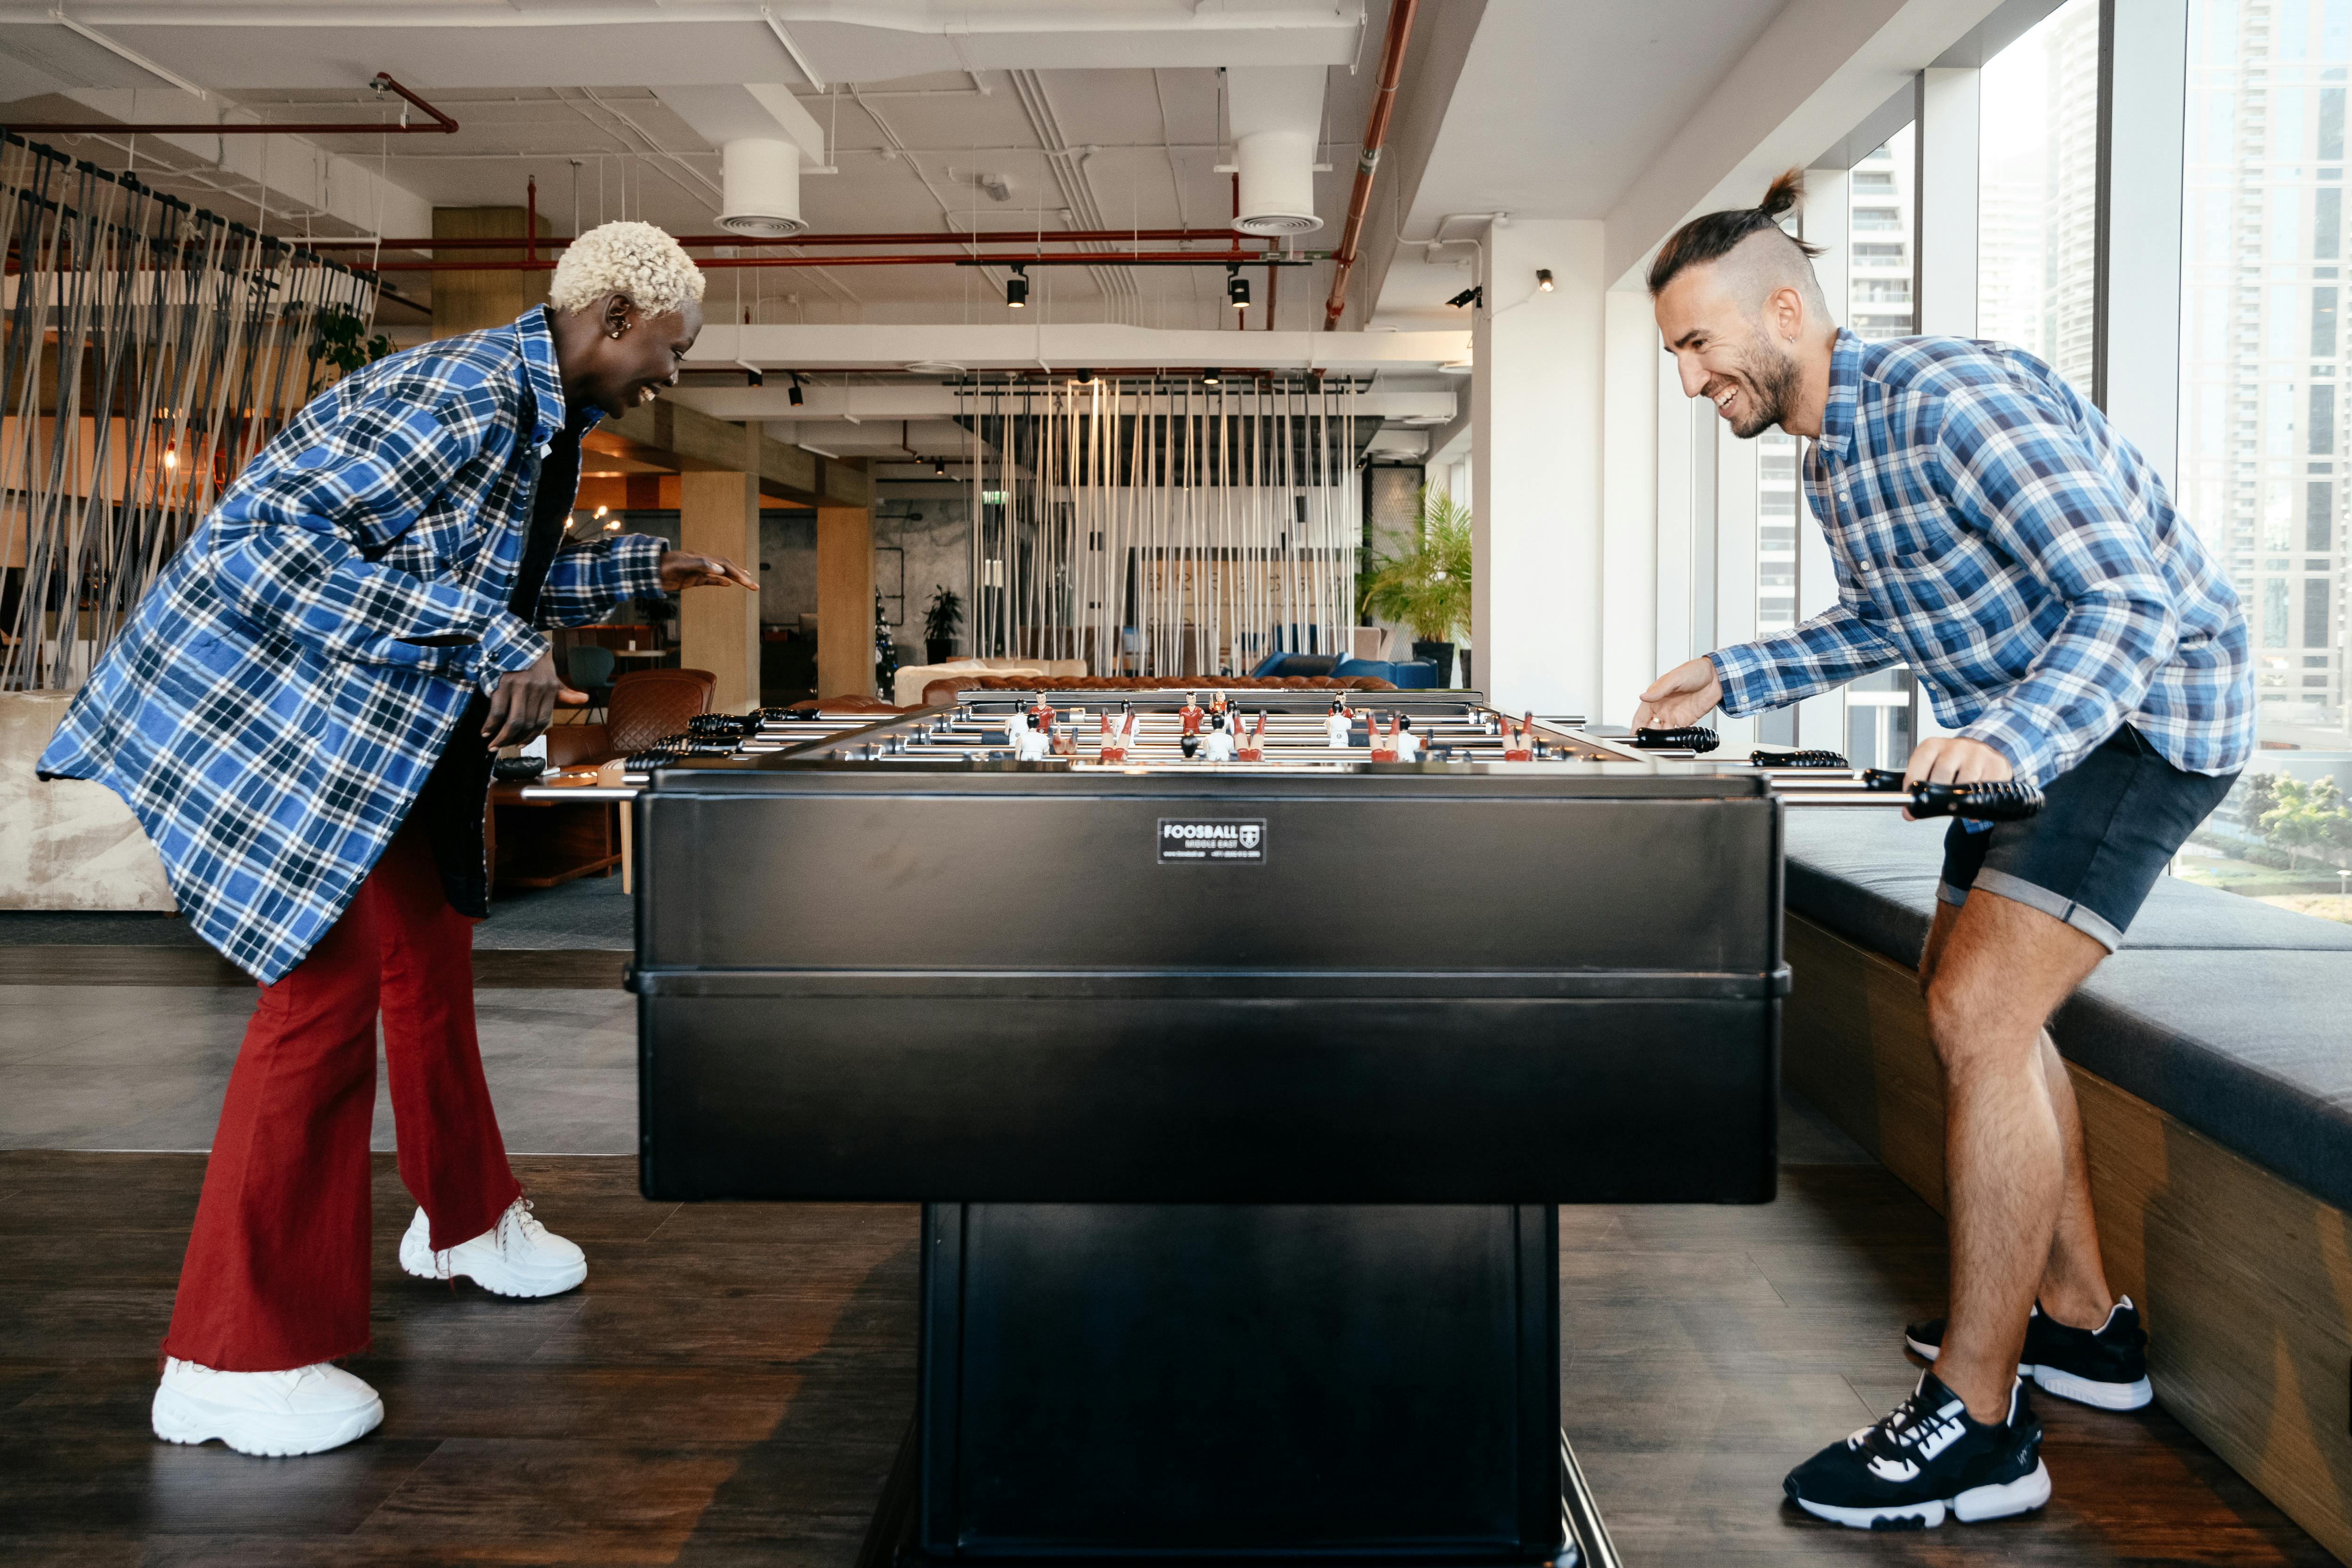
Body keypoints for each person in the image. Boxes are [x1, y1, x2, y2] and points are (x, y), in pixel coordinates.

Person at [38, 222, 759, 1458]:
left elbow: (478, 576)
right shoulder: (462, 395)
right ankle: (226, 1356)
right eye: (671, 350)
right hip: (294, 728)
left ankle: (465, 1221)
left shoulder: (538, 419)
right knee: (315, 1002)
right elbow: (275, 552)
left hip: (395, 744)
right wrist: (493, 645)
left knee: (428, 958)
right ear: (617, 317)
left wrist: (648, 569)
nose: (672, 376)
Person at [1634, 171, 2251, 1531]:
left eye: (1696, 345)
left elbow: (2129, 597)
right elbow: (1887, 617)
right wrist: (1732, 673)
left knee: (1982, 1008)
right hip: (2033, 729)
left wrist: (2014, 738)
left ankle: (1981, 1426)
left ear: (1785, 308)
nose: (1689, 382)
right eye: (1675, 353)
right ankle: (2085, 1326)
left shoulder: (1946, 404)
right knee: (1960, 989)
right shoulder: (1834, 451)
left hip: (2139, 716)